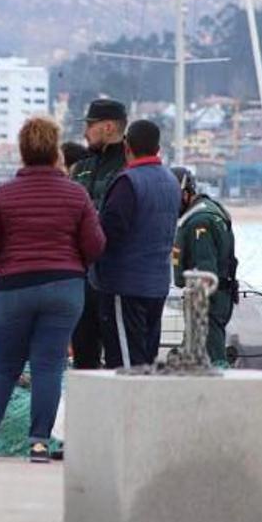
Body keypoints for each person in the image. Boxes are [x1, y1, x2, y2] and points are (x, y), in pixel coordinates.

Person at [0, 116, 106, 462]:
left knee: (4, 365)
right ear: (55, 151)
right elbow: (95, 244)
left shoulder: (5, 194)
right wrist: (75, 265)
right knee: (49, 364)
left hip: (13, 287)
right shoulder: (76, 194)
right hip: (63, 286)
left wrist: (3, 267)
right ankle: (40, 442)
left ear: (23, 151)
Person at [92, 119, 180, 368]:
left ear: (127, 146)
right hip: (158, 284)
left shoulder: (127, 182)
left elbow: (108, 232)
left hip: (125, 285)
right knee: (145, 359)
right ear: (157, 147)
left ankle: (127, 407)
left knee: (124, 363)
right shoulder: (171, 181)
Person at [68, 98, 129, 369]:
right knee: (83, 355)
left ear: (107, 127)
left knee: (118, 357)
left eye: (90, 126)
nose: (85, 132)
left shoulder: (129, 166)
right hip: (80, 277)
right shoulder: (81, 167)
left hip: (115, 277)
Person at [169, 166, 237, 366]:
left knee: (212, 360)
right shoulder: (208, 212)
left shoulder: (200, 222)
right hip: (211, 301)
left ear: (185, 193)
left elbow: (205, 273)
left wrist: (198, 306)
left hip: (208, 304)